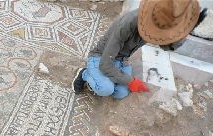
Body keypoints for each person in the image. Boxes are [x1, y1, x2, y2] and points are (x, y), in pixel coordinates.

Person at [72, 0, 202, 99]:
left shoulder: (159, 22)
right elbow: (105, 64)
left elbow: (166, 46)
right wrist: (131, 81)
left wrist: (182, 34)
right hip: (101, 57)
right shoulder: (127, 24)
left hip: (121, 60)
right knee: (105, 89)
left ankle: (101, 78)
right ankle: (85, 74)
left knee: (121, 93)